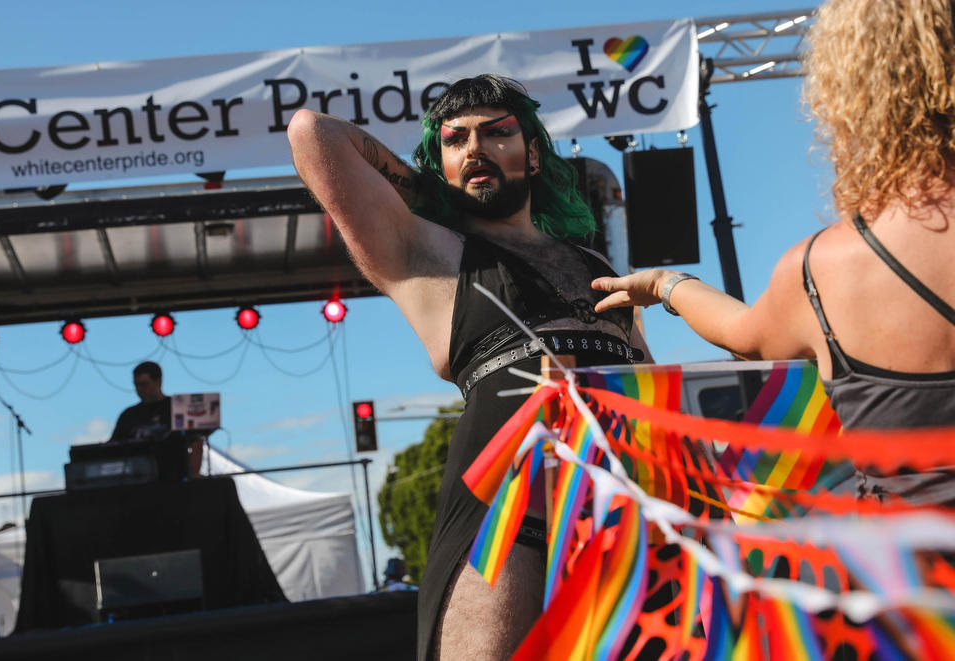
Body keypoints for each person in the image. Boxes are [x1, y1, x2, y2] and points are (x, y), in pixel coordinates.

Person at [287, 75, 650, 660]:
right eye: (455, 141)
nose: (474, 149)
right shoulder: (428, 254)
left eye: (495, 134)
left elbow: (650, 383)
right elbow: (313, 133)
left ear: (533, 155)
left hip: (621, 510)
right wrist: (430, 185)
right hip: (505, 516)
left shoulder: (595, 261)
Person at [592, 0, 955, 502]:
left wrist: (663, 284)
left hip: (909, 574)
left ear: (855, 90)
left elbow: (746, 335)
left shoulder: (823, 271)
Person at [109, 361, 203, 479]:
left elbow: (196, 441)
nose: (139, 389)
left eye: (143, 384)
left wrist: (193, 476)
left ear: (158, 381)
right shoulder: (128, 415)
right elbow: (113, 448)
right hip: (138, 480)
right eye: (136, 385)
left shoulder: (178, 409)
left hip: (174, 480)